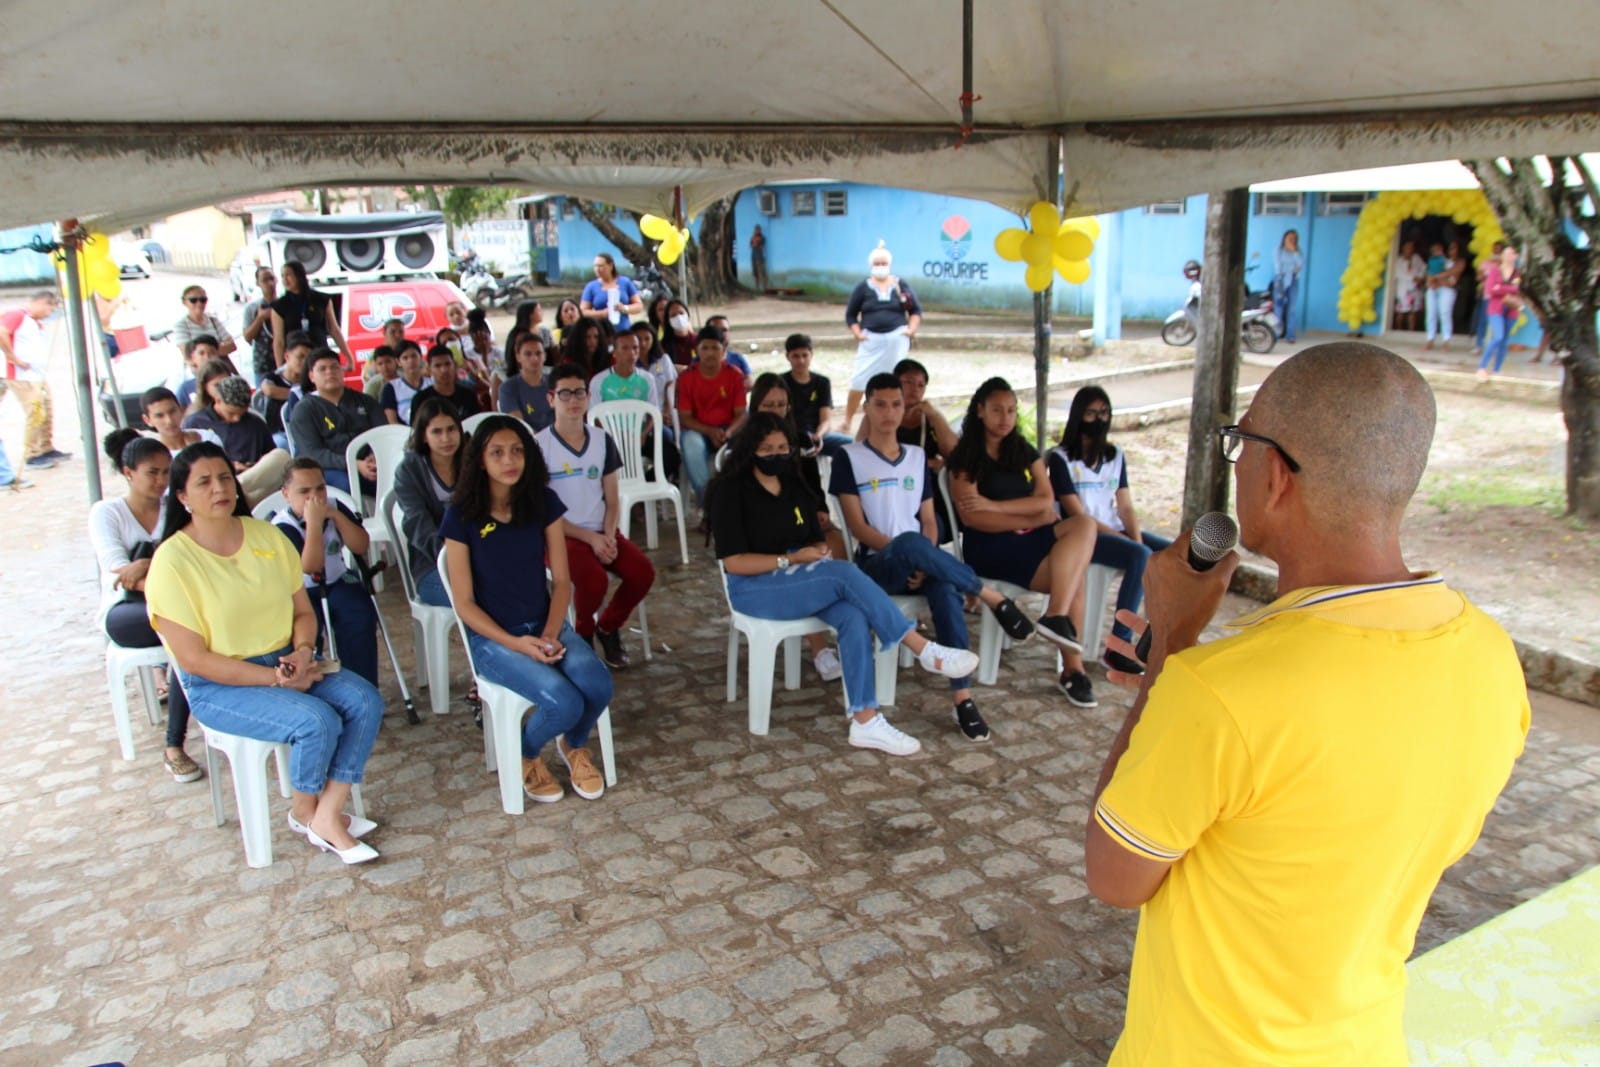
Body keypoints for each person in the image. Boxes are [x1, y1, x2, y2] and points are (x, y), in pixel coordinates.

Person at [1084, 342, 1528, 1065]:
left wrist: (1172, 645)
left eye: (1241, 440)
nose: (1236, 462)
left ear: (1277, 476)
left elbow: (1113, 875)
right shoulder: (1491, 657)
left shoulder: (1221, 689)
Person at [145, 442, 386, 864]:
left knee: (365, 700)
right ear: (182, 497)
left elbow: (302, 612)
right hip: (221, 683)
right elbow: (194, 660)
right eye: (204, 482)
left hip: (287, 659)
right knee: (317, 721)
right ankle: (309, 812)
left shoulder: (267, 536)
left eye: (224, 477)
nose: (219, 488)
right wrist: (277, 678)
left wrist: (303, 651)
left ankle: (323, 812)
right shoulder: (172, 562)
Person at [709, 412, 979, 756]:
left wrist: (815, 551)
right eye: (766, 448)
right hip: (754, 587)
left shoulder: (792, 485)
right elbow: (734, 562)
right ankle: (922, 648)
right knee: (845, 573)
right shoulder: (730, 491)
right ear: (749, 450)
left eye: (782, 447)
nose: (775, 454)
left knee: (853, 613)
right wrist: (790, 560)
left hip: (798, 577)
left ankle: (865, 720)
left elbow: (813, 537)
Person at [831, 375, 1037, 741]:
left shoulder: (915, 458)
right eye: (880, 404)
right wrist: (913, 554)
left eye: (897, 404)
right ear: (867, 408)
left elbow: (929, 520)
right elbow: (858, 528)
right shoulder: (849, 457)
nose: (889, 412)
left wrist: (922, 560)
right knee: (911, 542)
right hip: (877, 566)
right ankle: (990, 596)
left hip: (919, 561)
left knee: (943, 589)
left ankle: (963, 698)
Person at [442, 415, 614, 804]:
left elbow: (563, 583)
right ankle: (525, 753)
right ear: (480, 460)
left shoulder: (542, 503)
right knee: (565, 701)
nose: (509, 460)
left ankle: (572, 746)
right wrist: (519, 645)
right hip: (493, 640)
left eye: (517, 450)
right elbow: (464, 604)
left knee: (598, 685)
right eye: (497, 452)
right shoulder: (461, 516)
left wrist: (550, 634)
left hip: (545, 624)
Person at [945, 377, 1099, 707]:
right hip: (990, 547)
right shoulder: (965, 457)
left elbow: (1046, 500)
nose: (1006, 417)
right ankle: (1073, 669)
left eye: (1012, 410)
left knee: (1084, 525)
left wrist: (995, 505)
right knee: (1077, 577)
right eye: (998, 409)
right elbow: (973, 518)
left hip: (1029, 537)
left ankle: (1056, 615)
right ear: (981, 411)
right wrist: (1028, 517)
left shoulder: (1022, 449)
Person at [89, 429, 200, 782]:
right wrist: (156, 565)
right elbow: (120, 575)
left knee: (186, 633)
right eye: (152, 472)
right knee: (183, 629)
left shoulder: (176, 509)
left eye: (167, 472)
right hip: (126, 610)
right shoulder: (107, 512)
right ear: (128, 472)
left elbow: (195, 559)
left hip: (175, 604)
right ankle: (174, 746)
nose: (161, 480)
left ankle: (176, 743)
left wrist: (146, 563)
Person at [537, 363, 656, 668]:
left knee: (642, 573)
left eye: (579, 392)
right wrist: (590, 538)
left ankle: (608, 626)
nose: (573, 400)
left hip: (602, 530)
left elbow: (613, 500)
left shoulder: (602, 440)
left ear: (589, 396)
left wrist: (608, 535)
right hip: (561, 536)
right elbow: (542, 512)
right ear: (551, 398)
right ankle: (584, 633)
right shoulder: (539, 446)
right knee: (593, 581)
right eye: (565, 393)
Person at [1048, 386, 1171, 676]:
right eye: (1091, 413)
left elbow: (1125, 505)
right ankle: (1118, 647)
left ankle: (1159, 633)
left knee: (1172, 553)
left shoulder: (1115, 455)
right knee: (1139, 556)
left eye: (1103, 412)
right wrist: (1128, 543)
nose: (1098, 419)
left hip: (1114, 527)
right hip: (1084, 535)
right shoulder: (1061, 458)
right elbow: (1077, 513)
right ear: (1078, 415)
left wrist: (1135, 537)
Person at [748, 373, 844, 681]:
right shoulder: (748, 443)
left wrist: (819, 510)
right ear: (756, 405)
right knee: (801, 558)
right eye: (768, 404)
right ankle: (819, 647)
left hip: (802, 518)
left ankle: (839, 625)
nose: (775, 410)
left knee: (836, 544)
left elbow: (813, 485)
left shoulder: (800, 439)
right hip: (766, 530)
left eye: (781, 404)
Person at [271, 458, 380, 687]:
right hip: (301, 593)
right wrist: (314, 525)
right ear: (286, 494)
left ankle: (362, 685)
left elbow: (361, 546)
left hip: (338, 579)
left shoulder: (336, 506)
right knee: (308, 630)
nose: (315, 497)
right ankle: (314, 686)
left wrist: (337, 517)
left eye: (320, 488)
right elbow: (310, 567)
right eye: (304, 491)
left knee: (359, 614)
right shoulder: (283, 526)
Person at [393, 398, 465, 607]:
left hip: (479, 558)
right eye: (436, 432)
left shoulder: (472, 462)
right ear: (423, 435)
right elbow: (417, 524)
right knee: (484, 599)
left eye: (451, 429)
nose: (446, 438)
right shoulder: (409, 471)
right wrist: (455, 559)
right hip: (433, 566)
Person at [287, 348, 386, 494]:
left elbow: (382, 434)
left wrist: (374, 457)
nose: (329, 372)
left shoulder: (365, 401)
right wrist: (353, 463)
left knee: (399, 476)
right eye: (322, 369)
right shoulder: (304, 410)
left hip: (369, 464)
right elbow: (312, 453)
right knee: (345, 484)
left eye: (334, 367)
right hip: (328, 469)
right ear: (311, 376)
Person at [183, 374, 291, 509]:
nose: (237, 419)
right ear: (217, 400)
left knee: (282, 456)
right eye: (231, 413)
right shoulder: (195, 423)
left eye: (241, 414)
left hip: (253, 482)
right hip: (217, 481)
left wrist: (254, 466)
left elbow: (269, 457)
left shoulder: (255, 422)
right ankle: (233, 490)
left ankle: (236, 491)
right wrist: (229, 468)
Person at [844, 242, 921, 427]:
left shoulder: (899, 284)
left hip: (897, 337)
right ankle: (847, 419)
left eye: (883, 263)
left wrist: (910, 330)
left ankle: (899, 418)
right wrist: (858, 334)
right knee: (859, 380)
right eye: (877, 264)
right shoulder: (863, 287)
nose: (880, 267)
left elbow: (916, 311)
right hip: (871, 339)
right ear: (871, 266)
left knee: (896, 380)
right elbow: (851, 315)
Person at [677, 325, 748, 511]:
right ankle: (708, 503)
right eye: (705, 348)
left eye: (715, 348)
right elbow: (685, 418)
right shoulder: (687, 378)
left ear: (724, 351)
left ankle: (738, 503)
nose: (710, 353)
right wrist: (710, 431)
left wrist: (728, 432)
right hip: (699, 431)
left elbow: (742, 414)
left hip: (729, 432)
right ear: (697, 350)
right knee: (691, 443)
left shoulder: (734, 375)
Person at [0, 289, 69, 470]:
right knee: (35, 412)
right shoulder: (17, 315)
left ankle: (45, 447)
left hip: (37, 374)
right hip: (21, 376)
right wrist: (13, 358)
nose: (49, 314)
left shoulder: (33, 322)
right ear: (42, 302)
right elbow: (2, 332)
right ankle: (32, 453)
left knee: (46, 410)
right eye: (50, 309)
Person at [272, 261, 352, 369]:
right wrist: (280, 368)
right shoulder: (279, 306)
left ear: (299, 275)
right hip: (296, 360)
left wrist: (348, 357)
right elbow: (279, 341)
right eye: (282, 276)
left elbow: (334, 330)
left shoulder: (322, 299)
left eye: (288, 275)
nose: (285, 279)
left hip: (320, 353)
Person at [781, 333, 851, 456]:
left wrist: (818, 436)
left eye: (805, 355)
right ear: (788, 357)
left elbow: (825, 420)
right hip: (788, 437)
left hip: (817, 436)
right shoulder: (781, 382)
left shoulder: (822, 382)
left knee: (852, 446)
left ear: (811, 355)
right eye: (796, 356)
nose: (801, 361)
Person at [257, 331, 310, 450]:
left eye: (308, 358)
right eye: (300, 357)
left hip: (305, 432)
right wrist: (298, 396)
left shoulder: (311, 380)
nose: (305, 362)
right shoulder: (273, 377)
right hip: (278, 432)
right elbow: (269, 390)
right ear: (287, 356)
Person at [1478, 244, 1522, 381]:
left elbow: (1517, 288)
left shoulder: (1517, 273)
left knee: (1504, 341)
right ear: (1502, 256)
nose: (1509, 256)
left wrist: (1501, 288)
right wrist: (1509, 289)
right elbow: (1491, 289)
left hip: (1512, 310)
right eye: (1507, 253)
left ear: (1516, 256)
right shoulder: (1495, 271)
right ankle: (1482, 367)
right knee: (1497, 336)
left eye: (1512, 253)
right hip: (1496, 308)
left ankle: (1497, 370)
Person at [498, 332, 554, 431]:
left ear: (544, 356)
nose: (534, 358)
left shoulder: (556, 382)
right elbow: (519, 426)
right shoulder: (508, 388)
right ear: (518, 357)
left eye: (538, 353)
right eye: (528, 354)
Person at [141, 386, 220, 454]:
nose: (169, 421)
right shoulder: (152, 456)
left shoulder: (208, 438)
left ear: (181, 410)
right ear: (147, 420)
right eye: (160, 416)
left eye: (172, 411)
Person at [414, 344, 483, 420]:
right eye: (437, 366)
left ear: (455, 365)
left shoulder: (468, 395)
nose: (444, 370)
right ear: (429, 369)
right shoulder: (421, 399)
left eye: (447, 364)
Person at [169, 285, 237, 359]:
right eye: (193, 300)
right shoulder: (181, 325)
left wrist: (202, 352)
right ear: (184, 302)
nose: (199, 303)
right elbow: (187, 354)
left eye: (203, 300)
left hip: (219, 367)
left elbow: (232, 346)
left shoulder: (213, 321)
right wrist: (218, 349)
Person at [580, 253, 643, 330]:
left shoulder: (625, 282)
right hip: (602, 331)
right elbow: (583, 312)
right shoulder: (591, 286)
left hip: (623, 330)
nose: (597, 269)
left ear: (610, 265)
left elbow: (639, 306)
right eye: (595, 266)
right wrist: (602, 314)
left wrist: (624, 308)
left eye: (601, 266)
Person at [1424, 240, 1465, 351]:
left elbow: (1452, 279)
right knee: (1431, 314)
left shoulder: (1459, 262)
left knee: (1444, 313)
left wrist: (1436, 279)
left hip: (1447, 290)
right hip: (1433, 289)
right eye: (1450, 248)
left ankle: (1446, 340)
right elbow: (1429, 274)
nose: (1451, 250)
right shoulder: (1440, 260)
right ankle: (1430, 339)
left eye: (1454, 248)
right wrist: (1432, 281)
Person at [240, 266, 279, 381]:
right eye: (265, 280)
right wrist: (260, 318)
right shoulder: (251, 308)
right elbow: (247, 337)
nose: (270, 283)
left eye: (271, 278)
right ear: (258, 283)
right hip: (263, 363)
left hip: (284, 363)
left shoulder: (284, 304)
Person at [380, 340, 428, 426]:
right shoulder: (391, 388)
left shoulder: (432, 382)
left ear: (420, 357)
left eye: (414, 356)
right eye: (405, 358)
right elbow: (392, 422)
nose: (411, 361)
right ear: (398, 362)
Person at [172, 336, 223, 411]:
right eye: (201, 353)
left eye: (212, 352)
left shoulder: (228, 380)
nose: (207, 357)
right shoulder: (185, 388)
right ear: (192, 359)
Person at [704, 315, 754, 389]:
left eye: (724, 330)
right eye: (716, 330)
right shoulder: (698, 362)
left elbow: (750, 382)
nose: (720, 333)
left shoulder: (738, 358)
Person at [1272, 229, 1303, 344]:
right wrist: (1283, 276)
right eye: (1290, 237)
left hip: (1294, 280)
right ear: (1284, 238)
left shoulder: (1298, 252)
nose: (1292, 240)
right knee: (1279, 307)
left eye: (1294, 238)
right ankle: (1276, 333)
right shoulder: (1278, 250)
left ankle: (1290, 335)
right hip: (1281, 279)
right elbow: (1278, 265)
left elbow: (1300, 265)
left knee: (1292, 309)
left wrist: (1294, 251)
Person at [1392, 238, 1426, 332]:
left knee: (1413, 312)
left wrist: (1420, 277)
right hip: (1403, 289)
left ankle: (1411, 331)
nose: (1410, 249)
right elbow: (1398, 273)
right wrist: (1413, 278)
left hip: (1415, 289)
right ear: (1403, 249)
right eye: (1408, 248)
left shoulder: (1416, 258)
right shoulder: (1399, 260)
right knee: (1401, 312)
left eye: (1411, 248)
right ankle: (1398, 330)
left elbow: (1423, 268)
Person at [661, 299, 698, 366]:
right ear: (668, 320)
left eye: (681, 313)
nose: (678, 317)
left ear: (688, 315)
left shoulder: (699, 341)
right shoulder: (662, 345)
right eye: (673, 315)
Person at [750, 224, 769, 291]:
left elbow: (760, 245)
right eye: (756, 230)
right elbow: (751, 245)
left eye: (758, 230)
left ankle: (765, 287)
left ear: (760, 230)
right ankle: (757, 287)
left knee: (763, 272)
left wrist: (755, 243)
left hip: (760, 257)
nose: (757, 231)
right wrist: (754, 242)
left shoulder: (763, 238)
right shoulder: (753, 237)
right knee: (755, 273)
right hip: (754, 257)